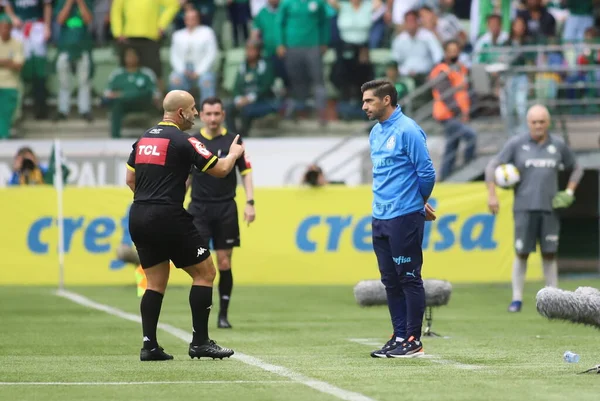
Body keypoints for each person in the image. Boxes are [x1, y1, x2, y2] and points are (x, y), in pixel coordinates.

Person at [125, 90, 245, 361]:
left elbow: (129, 180)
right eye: (192, 109)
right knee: (205, 273)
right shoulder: (184, 140)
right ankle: (200, 342)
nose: (195, 114)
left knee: (155, 282)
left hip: (139, 214)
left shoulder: (143, 140)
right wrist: (234, 153)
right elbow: (222, 169)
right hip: (167, 215)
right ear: (180, 112)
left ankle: (149, 346)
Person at [361, 79, 436, 358]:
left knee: (408, 277)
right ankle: (400, 334)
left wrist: (420, 202)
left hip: (404, 216)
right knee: (390, 281)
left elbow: (426, 173)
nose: (364, 106)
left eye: (369, 101)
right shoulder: (375, 133)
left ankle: (414, 340)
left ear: (387, 100)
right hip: (380, 216)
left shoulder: (408, 130)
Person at [484, 104, 583, 313]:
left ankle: (555, 301)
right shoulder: (516, 144)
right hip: (524, 208)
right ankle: (517, 299)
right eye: (534, 122)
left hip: (550, 209)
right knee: (522, 253)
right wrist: (492, 195)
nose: (538, 125)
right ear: (528, 123)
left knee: (550, 254)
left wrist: (569, 192)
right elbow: (491, 167)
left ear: (548, 122)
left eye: (542, 121)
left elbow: (577, 167)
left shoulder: (558, 144)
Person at [187, 97, 255, 329]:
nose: (213, 118)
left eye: (217, 114)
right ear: (202, 116)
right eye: (209, 114)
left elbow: (245, 171)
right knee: (200, 264)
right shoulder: (193, 141)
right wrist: (176, 201)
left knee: (224, 262)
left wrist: (250, 202)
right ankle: (201, 315)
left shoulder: (233, 140)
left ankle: (223, 314)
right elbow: (187, 175)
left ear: (223, 115)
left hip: (225, 207)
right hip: (198, 208)